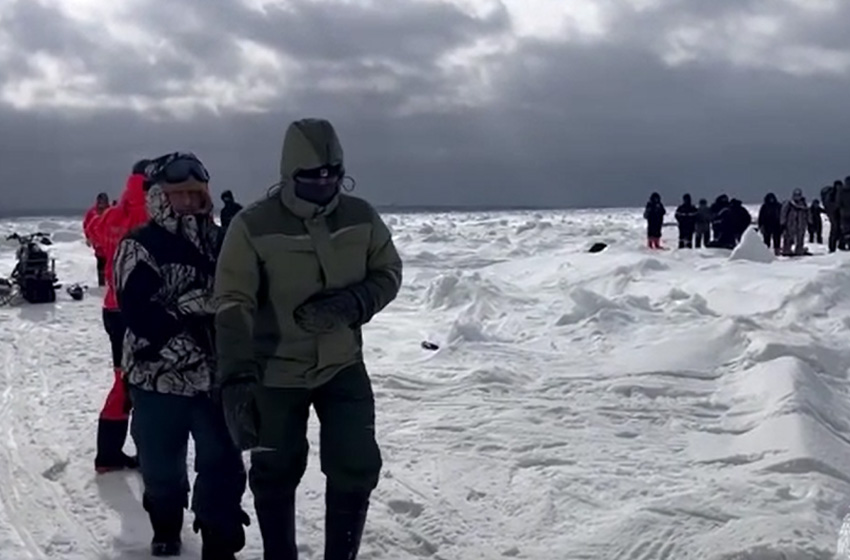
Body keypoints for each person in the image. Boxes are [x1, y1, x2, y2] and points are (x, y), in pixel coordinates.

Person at [214, 118, 403, 560]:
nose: (325, 183)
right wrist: (238, 376)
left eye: (333, 174)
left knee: (356, 464)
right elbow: (232, 301)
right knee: (275, 470)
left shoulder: (361, 217)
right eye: (312, 177)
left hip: (342, 366)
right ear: (289, 175)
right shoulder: (252, 226)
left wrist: (353, 303)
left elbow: (388, 272)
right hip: (275, 373)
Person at [113, 152, 248, 558]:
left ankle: (220, 539)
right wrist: (189, 318)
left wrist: (246, 233)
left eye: (195, 193)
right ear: (158, 197)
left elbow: (245, 292)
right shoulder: (139, 245)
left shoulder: (223, 240)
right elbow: (139, 311)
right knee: (162, 471)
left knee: (223, 466)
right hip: (158, 378)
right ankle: (166, 523)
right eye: (178, 195)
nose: (189, 202)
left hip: (215, 379)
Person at [88, 163, 149, 473]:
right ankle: (133, 454)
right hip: (135, 311)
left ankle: (110, 453)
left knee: (123, 379)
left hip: (111, 308)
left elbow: (94, 232)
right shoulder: (149, 214)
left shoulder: (113, 214)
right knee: (138, 382)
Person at [83, 192, 110, 286]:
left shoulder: (111, 211)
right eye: (100, 201)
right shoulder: (92, 213)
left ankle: (110, 285)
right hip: (98, 243)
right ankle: (101, 285)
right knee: (101, 263)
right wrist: (88, 237)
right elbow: (86, 225)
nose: (102, 204)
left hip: (109, 242)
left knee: (110, 265)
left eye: (104, 201)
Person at [781, 188, 809, 256]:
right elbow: (783, 213)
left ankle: (799, 250)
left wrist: (809, 221)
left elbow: (807, 213)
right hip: (791, 224)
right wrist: (783, 223)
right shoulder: (789, 204)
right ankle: (787, 250)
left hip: (801, 224)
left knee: (800, 238)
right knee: (788, 238)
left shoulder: (803, 204)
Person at [821, 181, 842, 252]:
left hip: (837, 213)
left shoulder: (836, 193)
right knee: (835, 229)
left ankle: (837, 246)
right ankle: (833, 247)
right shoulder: (832, 194)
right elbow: (831, 205)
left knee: (838, 230)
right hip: (834, 214)